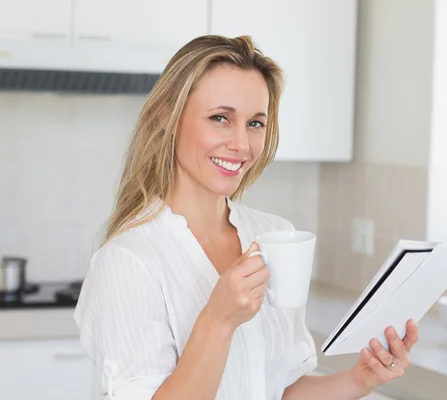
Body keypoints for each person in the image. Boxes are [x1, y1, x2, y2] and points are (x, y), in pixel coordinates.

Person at [74, 34, 419, 400]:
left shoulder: (275, 236)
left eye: (255, 123)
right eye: (220, 118)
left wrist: (359, 379)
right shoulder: (128, 261)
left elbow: (281, 390)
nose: (241, 144)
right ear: (167, 119)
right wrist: (218, 320)